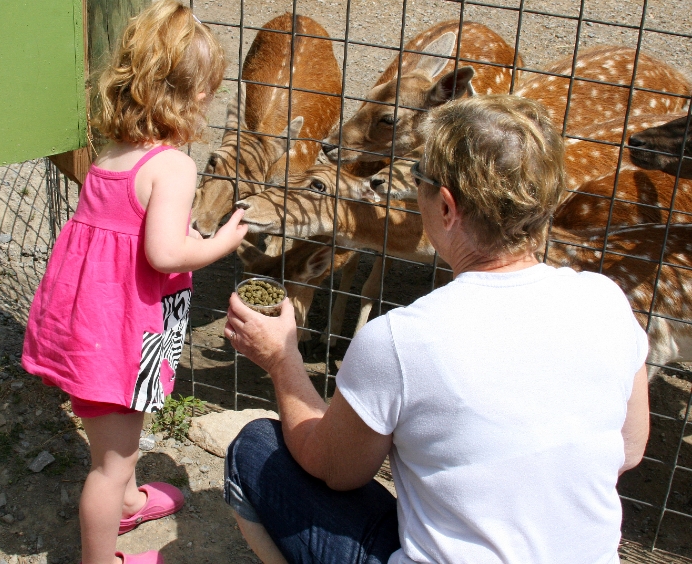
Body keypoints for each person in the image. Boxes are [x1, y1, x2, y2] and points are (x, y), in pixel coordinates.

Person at [222, 94, 650, 564]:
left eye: (418, 180)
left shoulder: (403, 338)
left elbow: (334, 470)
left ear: (447, 208)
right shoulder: (607, 300)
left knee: (257, 446)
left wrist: (282, 360)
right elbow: (628, 451)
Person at [21, 0, 248, 564]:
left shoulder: (112, 153)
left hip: (96, 324)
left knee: (117, 433)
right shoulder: (173, 166)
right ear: (192, 94)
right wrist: (224, 240)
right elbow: (166, 251)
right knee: (109, 463)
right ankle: (102, 545)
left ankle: (127, 500)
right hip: (123, 332)